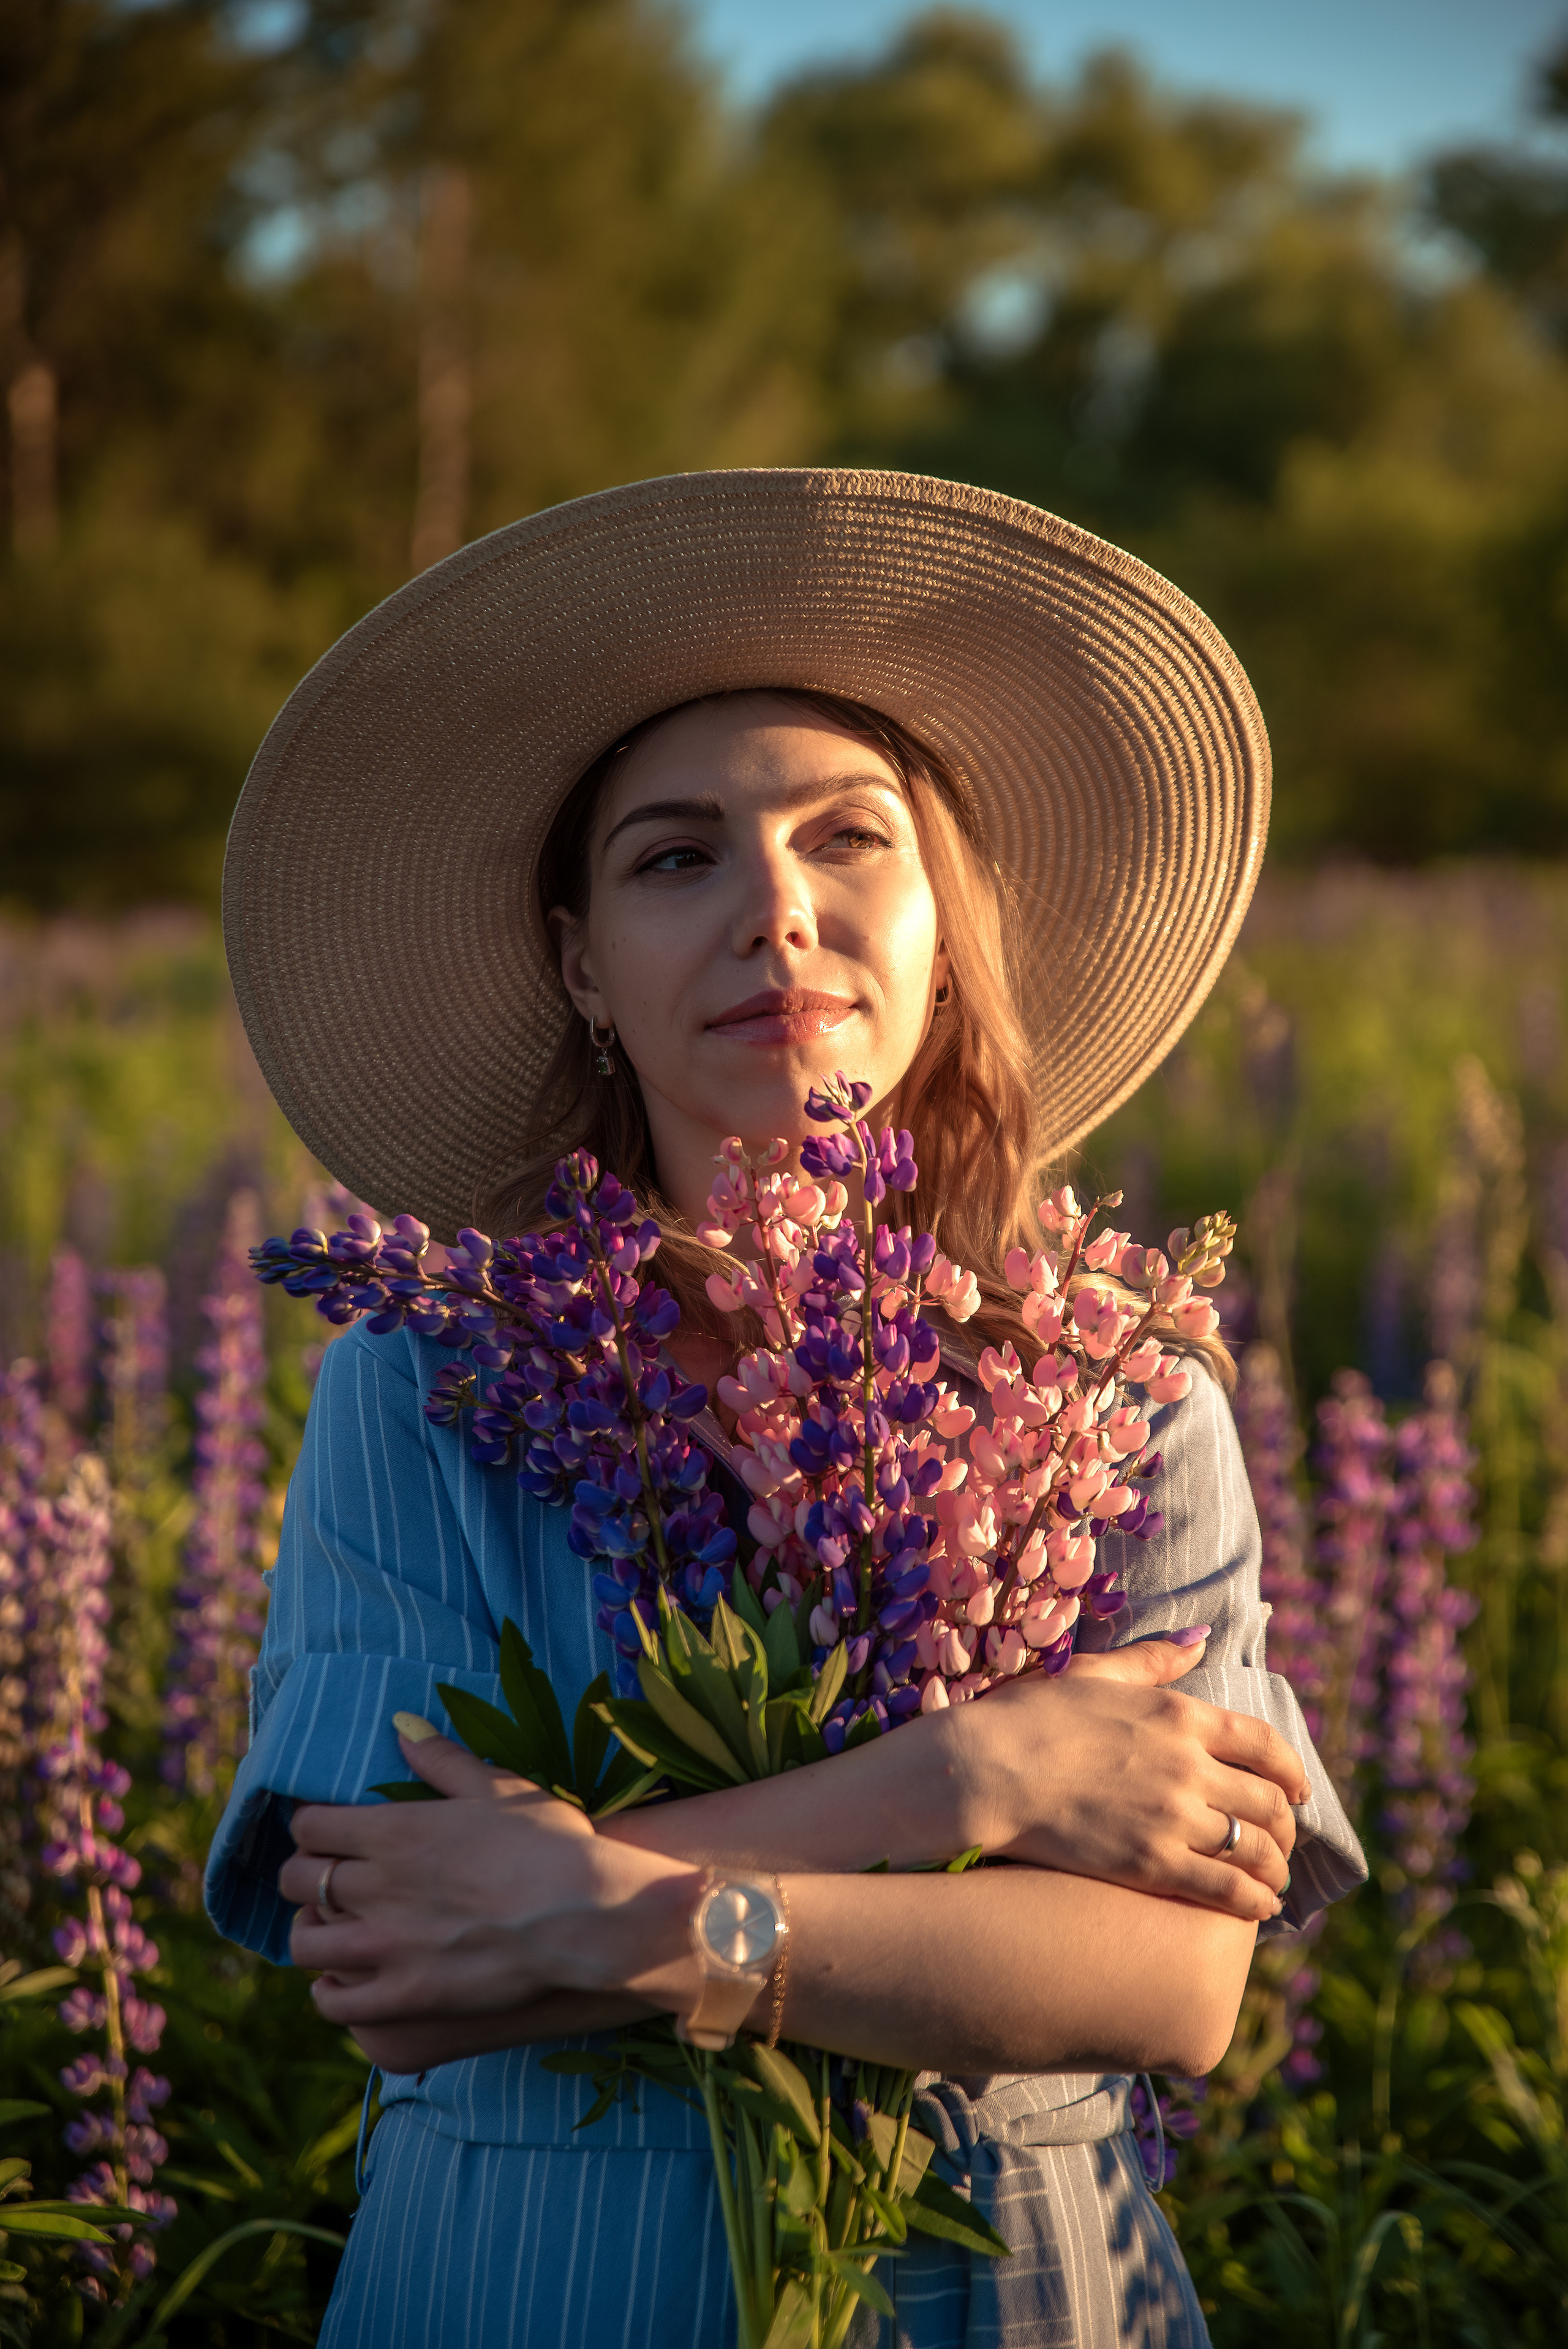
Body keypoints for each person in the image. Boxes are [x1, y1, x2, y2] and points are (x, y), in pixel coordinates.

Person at [209, 468, 1366, 2346]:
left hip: (1012, 2286)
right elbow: (398, 1965)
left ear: (941, 923)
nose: (776, 908)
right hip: (540, 2286)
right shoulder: (421, 1384)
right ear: (582, 959)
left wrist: (599, 1913)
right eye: (676, 858)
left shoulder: (1113, 1386)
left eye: (853, 840)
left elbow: (1172, 1987)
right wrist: (966, 1780)